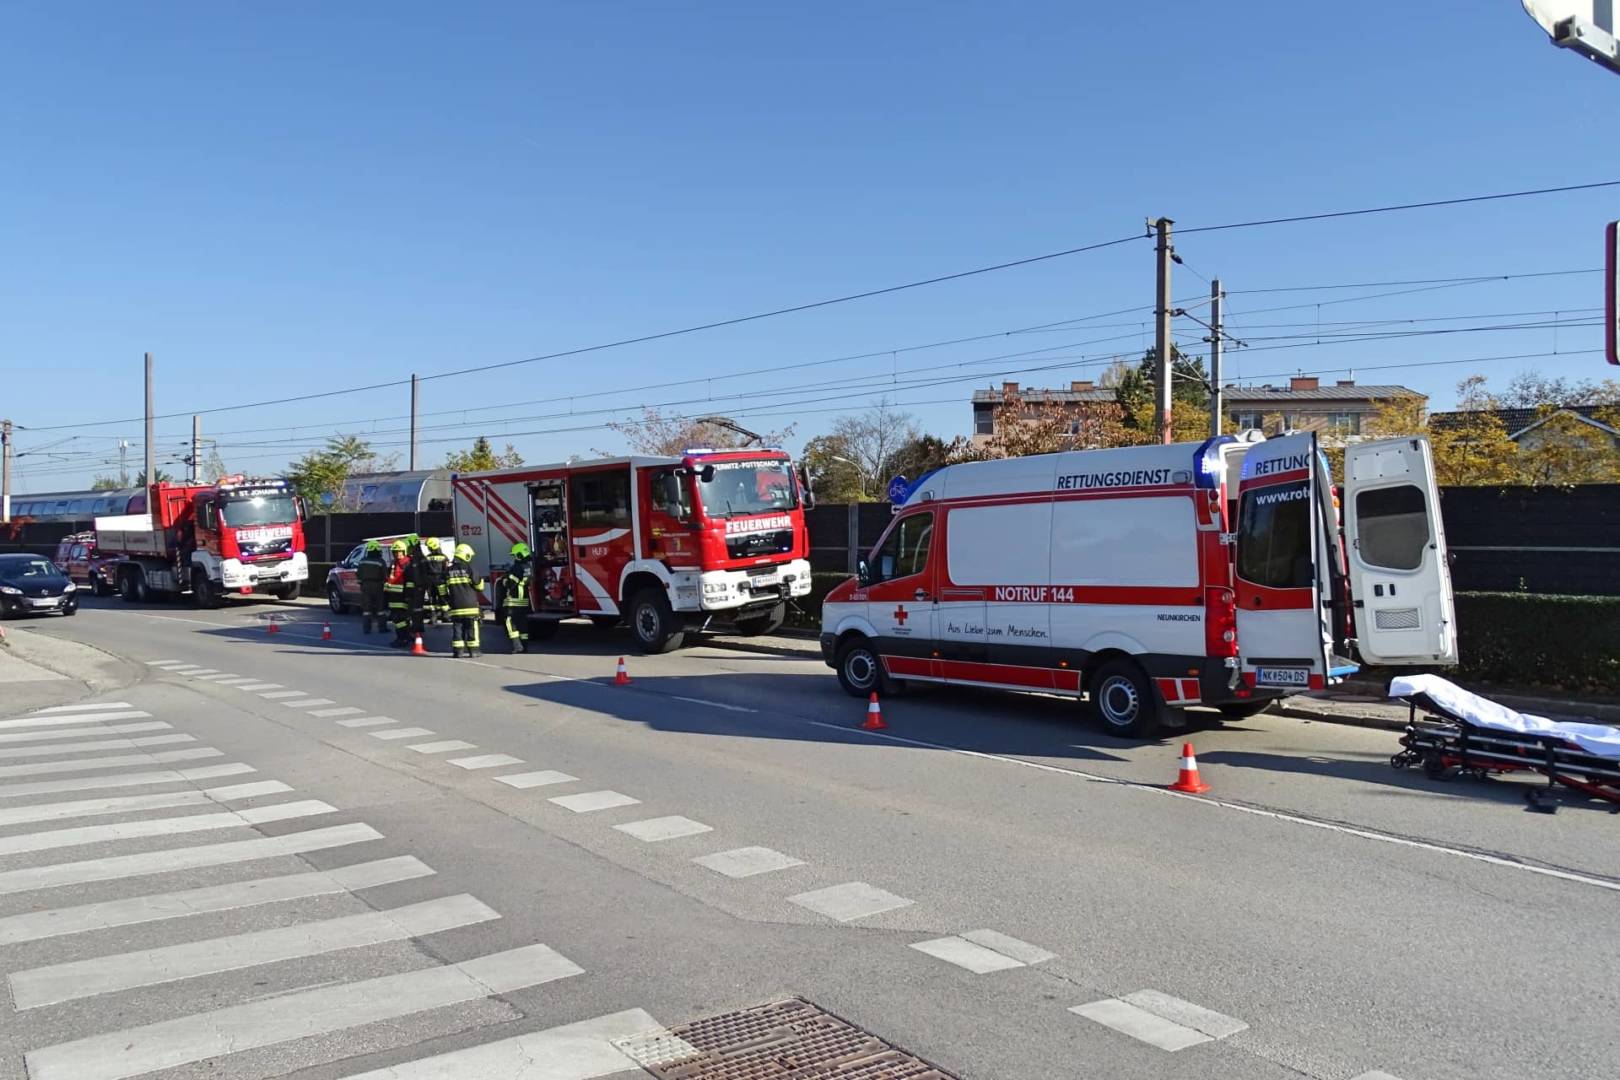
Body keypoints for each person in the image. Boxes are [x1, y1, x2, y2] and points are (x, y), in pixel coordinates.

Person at [445, 543, 486, 658]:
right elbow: (479, 587)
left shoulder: (448, 571)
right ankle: (474, 651)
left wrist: (447, 599)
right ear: (466, 555)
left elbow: (442, 589)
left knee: (457, 629)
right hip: (470, 605)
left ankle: (458, 652)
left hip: (455, 606)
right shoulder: (470, 568)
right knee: (472, 628)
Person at [496, 542, 532, 653]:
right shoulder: (528, 567)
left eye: (515, 555)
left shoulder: (516, 568)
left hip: (513, 600)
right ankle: (524, 646)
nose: (514, 557)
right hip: (524, 600)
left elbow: (509, 584)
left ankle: (517, 645)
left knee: (509, 621)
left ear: (520, 555)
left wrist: (505, 578)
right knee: (522, 624)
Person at [356, 540, 388, 633]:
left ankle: (366, 628)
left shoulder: (362, 561)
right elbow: (385, 576)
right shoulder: (380, 561)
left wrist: (362, 584)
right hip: (378, 586)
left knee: (366, 609)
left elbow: (358, 575)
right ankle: (382, 628)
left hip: (365, 586)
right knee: (380, 608)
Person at [384, 539, 412, 647]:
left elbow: (409, 580)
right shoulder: (395, 563)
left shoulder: (407, 563)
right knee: (401, 619)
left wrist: (408, 595)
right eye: (395, 552)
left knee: (399, 619)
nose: (397, 554)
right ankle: (407, 636)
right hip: (394, 596)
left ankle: (402, 639)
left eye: (400, 551)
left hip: (402, 596)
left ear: (404, 551)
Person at [422, 536, 451, 624]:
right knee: (443, 599)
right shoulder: (444, 557)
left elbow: (424, 570)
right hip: (441, 582)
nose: (428, 549)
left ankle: (433, 618)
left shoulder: (427, 558)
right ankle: (445, 616)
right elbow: (446, 570)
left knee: (432, 600)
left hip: (430, 583)